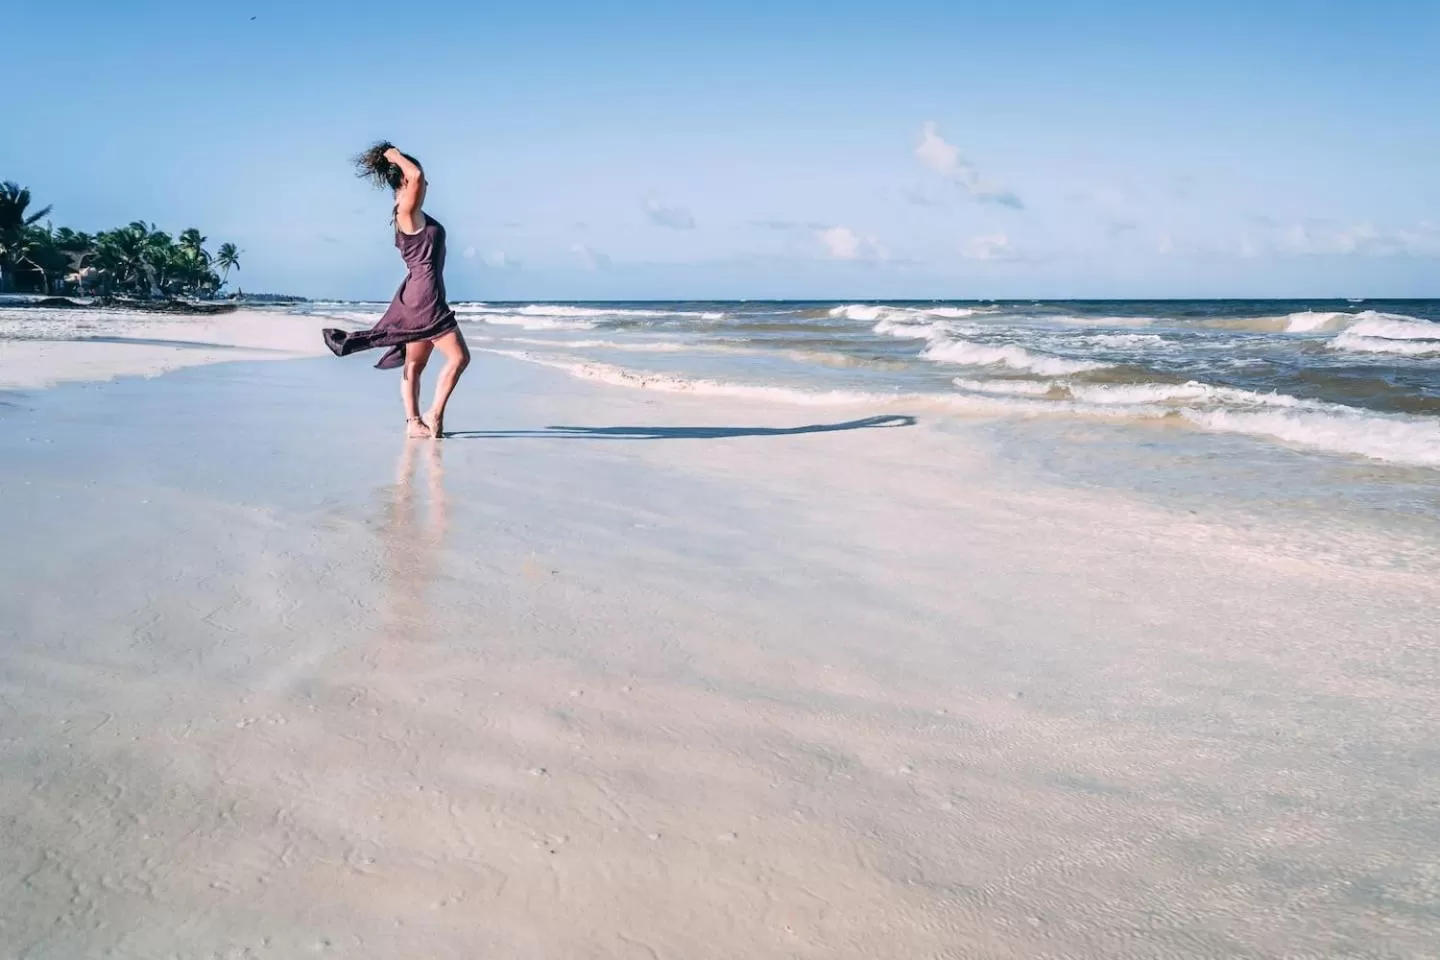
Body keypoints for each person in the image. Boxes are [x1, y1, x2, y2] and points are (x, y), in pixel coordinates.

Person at [323, 142, 470, 438]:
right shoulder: (406, 211)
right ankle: (434, 416)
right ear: (404, 179)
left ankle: (414, 423)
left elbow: (416, 178)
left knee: (416, 363)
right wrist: (393, 155)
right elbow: (416, 176)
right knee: (458, 358)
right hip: (425, 298)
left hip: (421, 294)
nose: (426, 183)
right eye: (420, 179)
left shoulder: (410, 213)